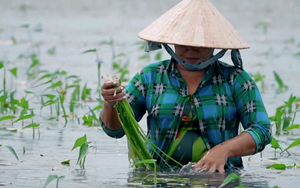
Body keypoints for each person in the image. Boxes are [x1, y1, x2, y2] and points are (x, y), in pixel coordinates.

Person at [100, 0, 271, 173]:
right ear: (172, 41)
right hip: (158, 178)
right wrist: (110, 104)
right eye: (184, 42)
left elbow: (262, 130)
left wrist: (225, 150)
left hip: (220, 178)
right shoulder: (151, 76)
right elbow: (116, 130)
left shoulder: (236, 80)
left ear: (214, 43)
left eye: (200, 44)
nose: (192, 50)